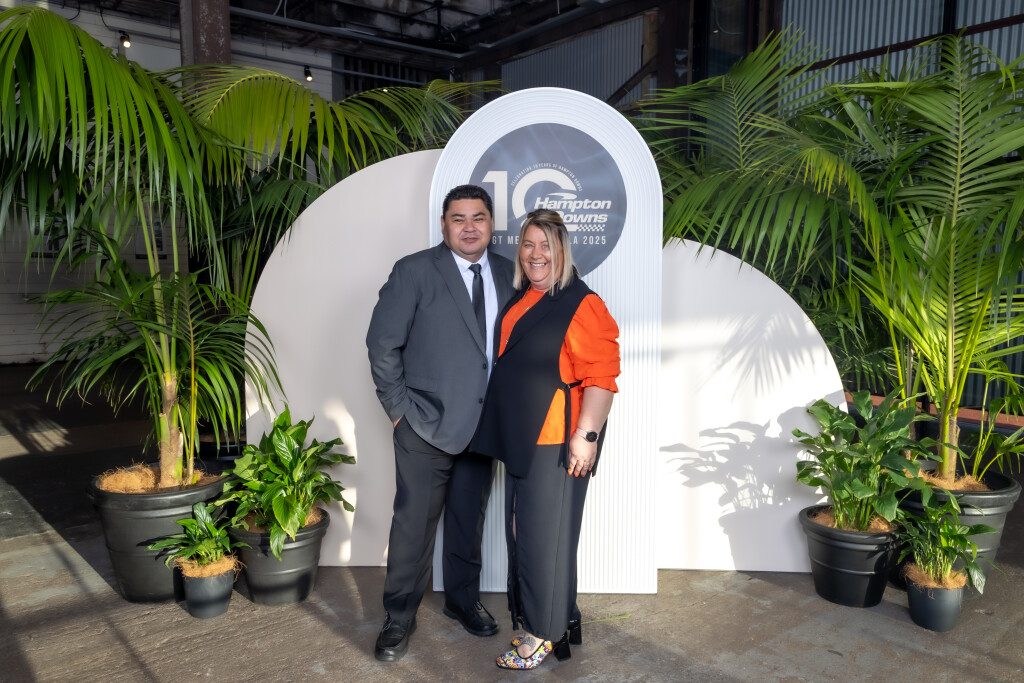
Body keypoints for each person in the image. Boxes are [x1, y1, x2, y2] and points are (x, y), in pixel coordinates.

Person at [366, 184, 515, 662]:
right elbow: (382, 344)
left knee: (469, 521)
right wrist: (399, 411)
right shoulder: (414, 271)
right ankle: (399, 615)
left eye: (478, 218)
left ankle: (462, 601)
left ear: (491, 224)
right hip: (424, 424)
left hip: (484, 425)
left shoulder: (509, 272)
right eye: (458, 218)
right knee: (413, 526)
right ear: (444, 224)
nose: (469, 227)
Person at [471, 209, 620, 670]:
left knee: (542, 537)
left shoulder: (582, 304)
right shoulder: (525, 297)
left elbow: (601, 377)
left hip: (558, 441)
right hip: (523, 438)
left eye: (546, 246)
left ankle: (541, 634)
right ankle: (561, 618)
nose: (536, 254)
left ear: (562, 250)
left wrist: (586, 436)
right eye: (528, 244)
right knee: (530, 531)